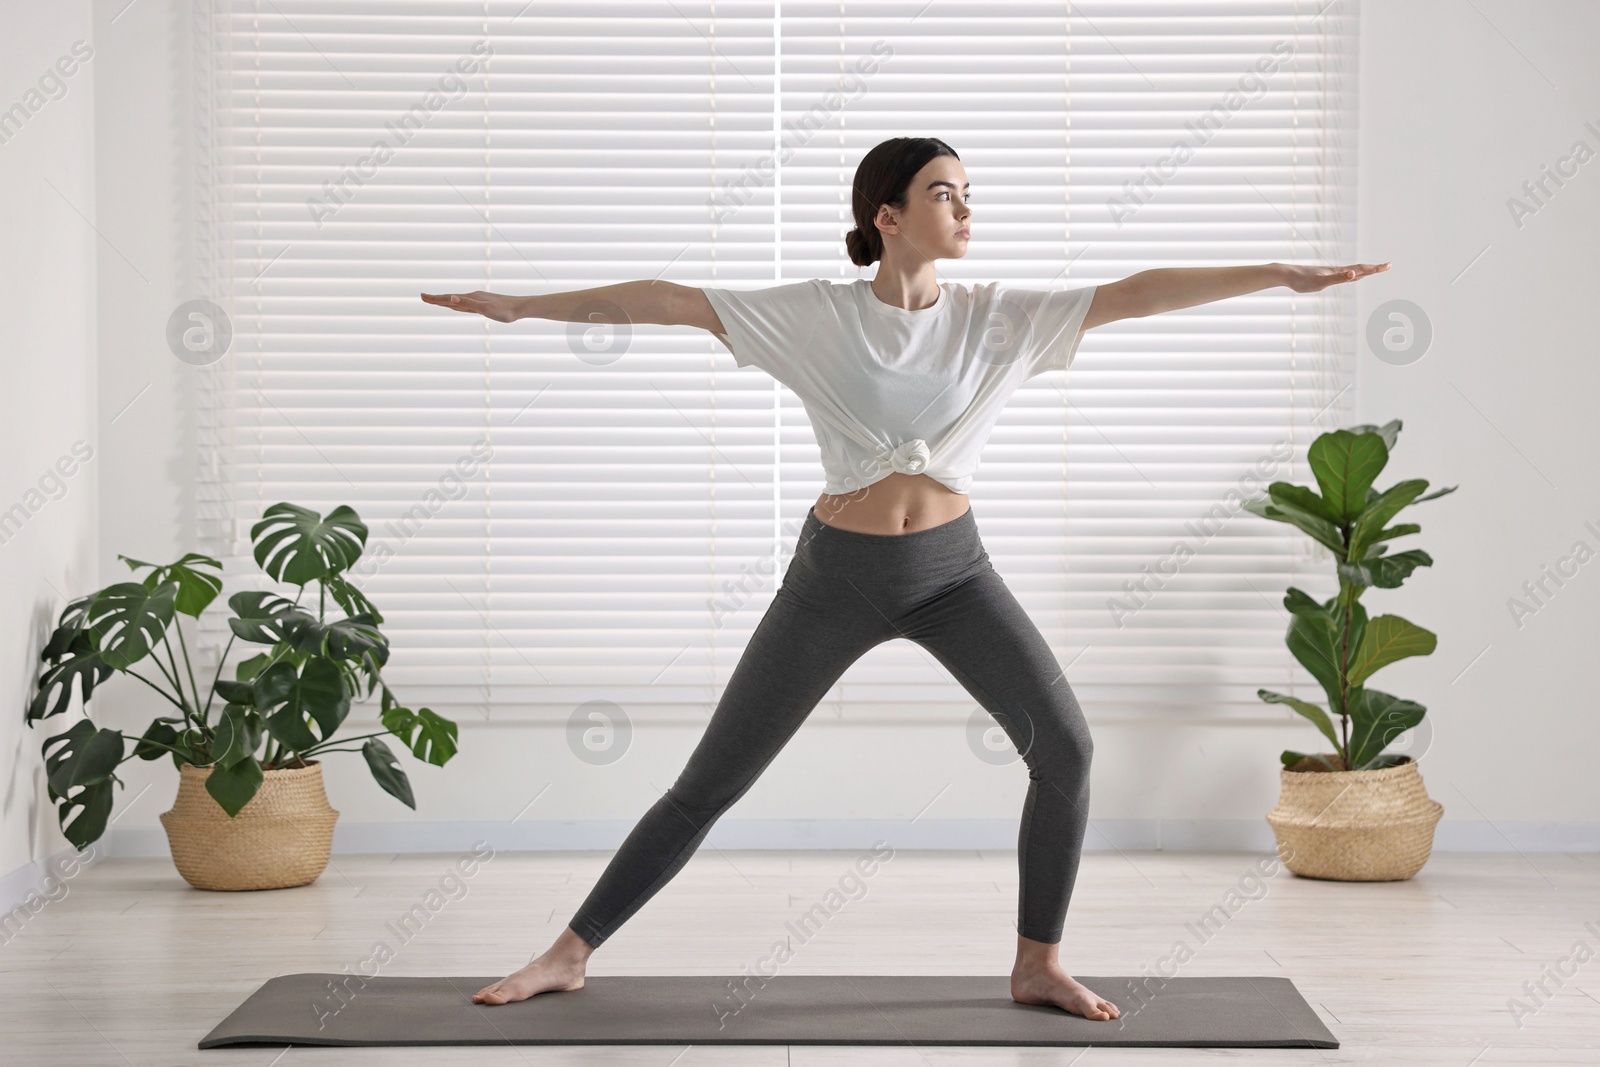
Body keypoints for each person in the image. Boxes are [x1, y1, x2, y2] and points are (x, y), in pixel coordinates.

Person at [422, 136, 1388, 1021]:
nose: (966, 210)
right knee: (712, 780)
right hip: (835, 577)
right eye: (944, 194)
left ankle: (1037, 961)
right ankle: (569, 951)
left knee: (1068, 750)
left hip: (954, 574)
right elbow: (671, 299)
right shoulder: (814, 315)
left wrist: (1275, 277)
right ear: (887, 216)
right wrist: (523, 305)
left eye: (970, 194)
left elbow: (1136, 291)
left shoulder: (997, 319)